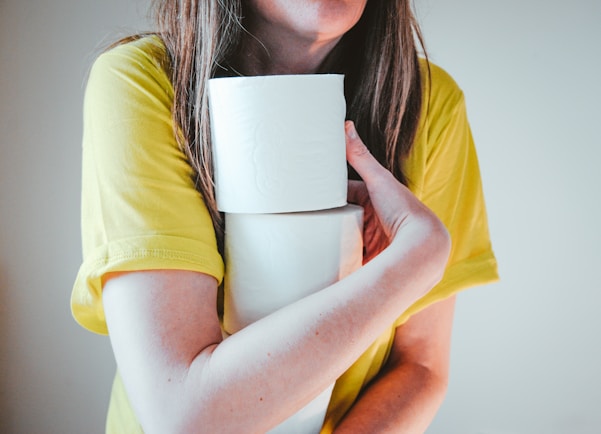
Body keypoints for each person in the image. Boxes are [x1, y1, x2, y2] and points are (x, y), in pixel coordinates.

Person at [71, 1, 499, 432]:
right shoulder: (142, 83)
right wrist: (413, 262)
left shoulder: (429, 104)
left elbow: (420, 366)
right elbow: (184, 417)